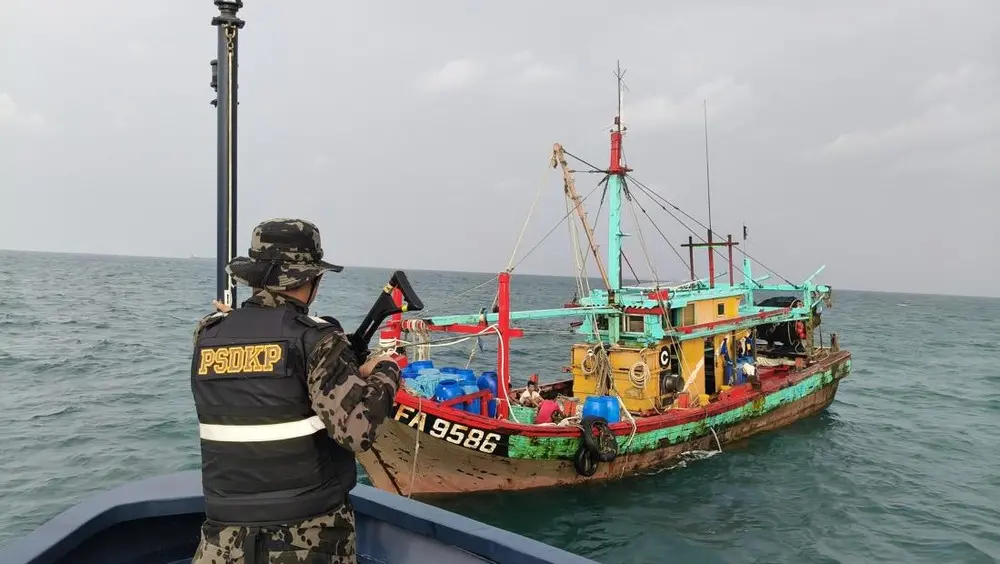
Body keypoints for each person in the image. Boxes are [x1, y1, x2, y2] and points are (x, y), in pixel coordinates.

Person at [190, 218, 401, 564]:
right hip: (307, 540)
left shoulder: (207, 333)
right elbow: (357, 430)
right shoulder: (318, 340)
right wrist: (385, 371)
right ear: (311, 280)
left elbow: (255, 366)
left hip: (222, 542)